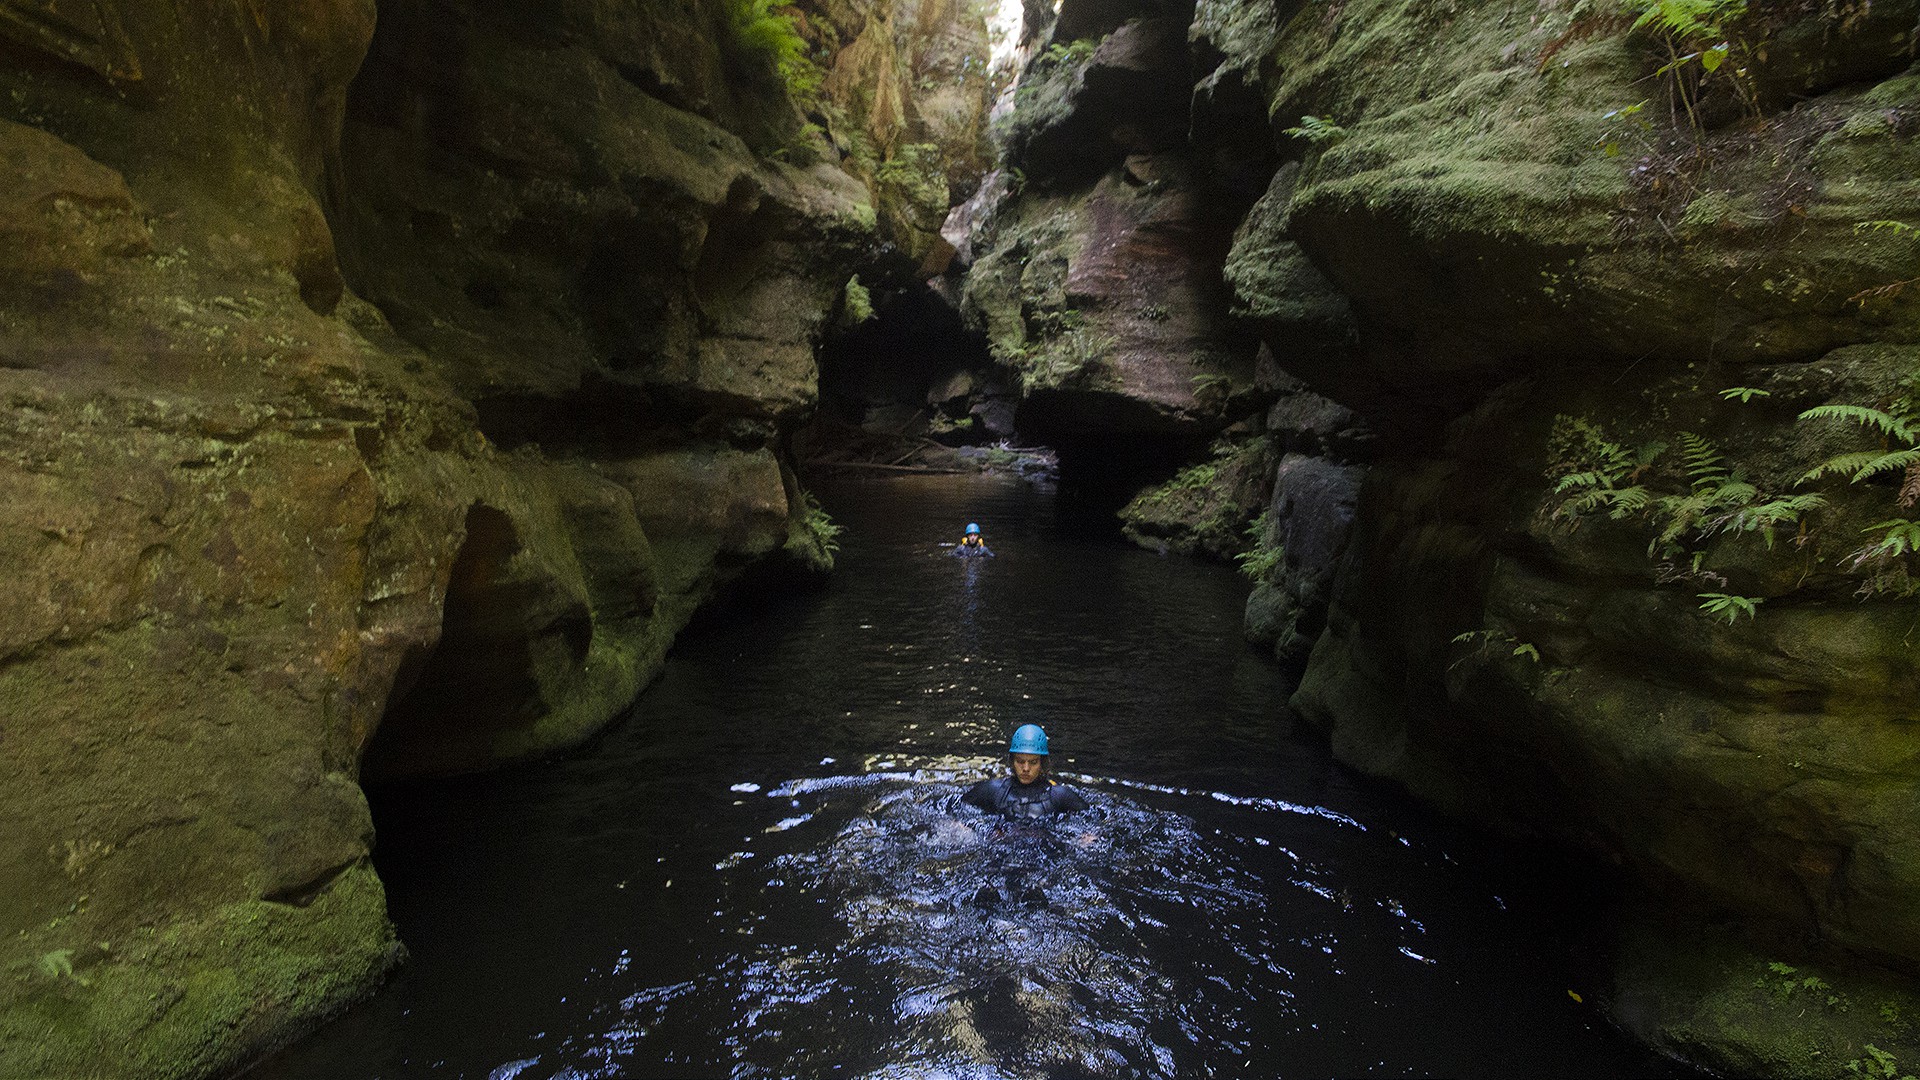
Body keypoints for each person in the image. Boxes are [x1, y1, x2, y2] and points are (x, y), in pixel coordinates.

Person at [962, 724, 1087, 819]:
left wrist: (1087, 836)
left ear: (1042, 764)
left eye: (1033, 762)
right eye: (1020, 761)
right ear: (1012, 761)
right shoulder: (993, 789)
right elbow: (956, 805)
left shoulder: (1060, 795)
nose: (1026, 769)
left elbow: (1095, 817)